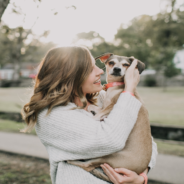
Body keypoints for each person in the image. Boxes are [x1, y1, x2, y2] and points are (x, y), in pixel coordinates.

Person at [22, 46, 157, 184]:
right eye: (91, 68)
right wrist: (129, 90)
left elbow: (146, 141)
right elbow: (109, 140)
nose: (100, 71)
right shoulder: (51, 115)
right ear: (71, 75)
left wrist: (141, 177)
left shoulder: (103, 99)